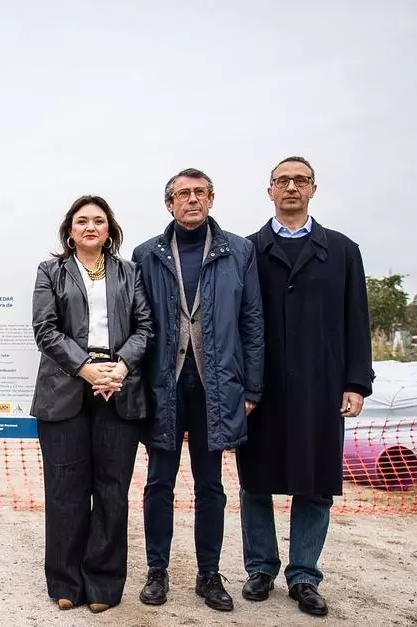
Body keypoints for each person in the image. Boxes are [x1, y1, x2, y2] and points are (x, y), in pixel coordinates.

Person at [235, 156, 373, 617]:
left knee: (315, 483)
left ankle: (304, 575)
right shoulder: (247, 251)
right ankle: (260, 568)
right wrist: (237, 384)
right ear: (269, 191)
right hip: (261, 388)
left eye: (300, 180)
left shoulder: (343, 250)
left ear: (313, 188)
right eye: (282, 180)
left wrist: (356, 382)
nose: (291, 187)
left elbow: (357, 319)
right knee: (256, 481)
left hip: (321, 386)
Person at [131, 168, 264, 612]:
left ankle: (209, 574)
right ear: (169, 203)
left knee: (210, 485)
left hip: (217, 387)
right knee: (158, 483)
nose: (192, 199)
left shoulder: (239, 251)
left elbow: (252, 322)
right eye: (183, 193)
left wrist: (251, 389)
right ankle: (157, 571)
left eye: (199, 192)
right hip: (163, 386)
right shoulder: (146, 254)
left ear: (211, 198)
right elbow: (136, 323)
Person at [30, 195, 154, 613]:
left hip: (119, 387)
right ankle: (65, 581)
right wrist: (86, 369)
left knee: (111, 492)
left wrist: (119, 368)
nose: (90, 227)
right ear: (70, 231)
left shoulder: (130, 272)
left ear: (109, 230)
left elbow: (145, 328)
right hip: (65, 388)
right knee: (64, 491)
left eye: (98, 221)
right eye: (82, 221)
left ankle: (103, 584)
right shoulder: (50, 272)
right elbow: (45, 329)